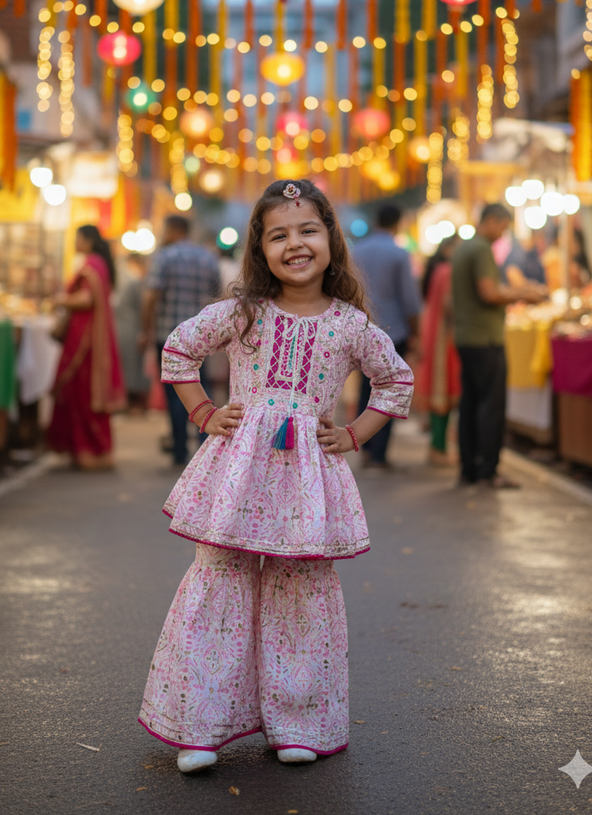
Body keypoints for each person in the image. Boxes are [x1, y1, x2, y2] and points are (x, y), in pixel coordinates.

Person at [139, 180, 414, 773]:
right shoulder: (244, 313)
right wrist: (203, 412)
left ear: (331, 240)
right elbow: (179, 349)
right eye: (278, 235)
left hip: (306, 484)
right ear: (260, 250)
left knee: (301, 593)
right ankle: (200, 724)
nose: (295, 244)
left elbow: (395, 379)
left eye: (308, 230)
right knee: (219, 585)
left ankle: (300, 723)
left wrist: (356, 434)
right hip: (237, 476)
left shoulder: (350, 325)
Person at [451, 203, 547, 489]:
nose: (504, 233)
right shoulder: (481, 249)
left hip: (467, 336)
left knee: (470, 402)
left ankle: (469, 467)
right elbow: (489, 293)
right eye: (503, 226)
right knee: (490, 405)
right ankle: (487, 471)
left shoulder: (463, 248)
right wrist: (524, 294)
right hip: (485, 338)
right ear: (491, 221)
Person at [141, 215, 221, 466]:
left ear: (174, 229)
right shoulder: (208, 258)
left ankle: (178, 450)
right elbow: (218, 298)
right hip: (202, 338)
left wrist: (146, 329)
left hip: (168, 335)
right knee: (201, 387)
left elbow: (151, 296)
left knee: (175, 392)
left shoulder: (164, 257)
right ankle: (203, 446)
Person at [48, 225, 125, 469]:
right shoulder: (100, 263)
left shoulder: (91, 264)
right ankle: (93, 452)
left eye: (78, 238)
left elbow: (86, 299)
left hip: (86, 340)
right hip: (91, 337)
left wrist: (61, 300)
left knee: (81, 394)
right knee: (82, 395)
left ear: (88, 240)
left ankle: (87, 453)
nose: (75, 242)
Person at [352, 203, 420, 467]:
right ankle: (379, 454)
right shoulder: (399, 254)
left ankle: (363, 447)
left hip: (361, 328)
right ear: (397, 223)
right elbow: (410, 300)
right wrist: (416, 333)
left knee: (363, 389)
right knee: (388, 389)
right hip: (393, 331)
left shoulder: (358, 251)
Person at [417, 235, 460, 465]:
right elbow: (450, 304)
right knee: (443, 390)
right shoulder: (447, 271)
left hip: (435, 333)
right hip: (445, 337)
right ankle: (439, 448)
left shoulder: (437, 270)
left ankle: (438, 446)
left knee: (440, 390)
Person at [114, 253, 150, 413]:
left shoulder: (129, 279)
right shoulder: (135, 280)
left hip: (126, 326)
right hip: (131, 327)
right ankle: (131, 403)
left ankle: (129, 402)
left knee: (129, 365)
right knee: (132, 365)